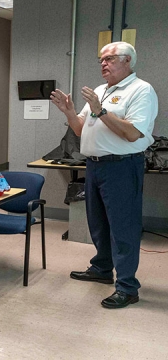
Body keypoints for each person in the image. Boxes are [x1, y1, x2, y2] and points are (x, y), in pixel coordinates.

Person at [50, 42, 157, 309]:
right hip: (95, 166)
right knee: (98, 223)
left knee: (123, 227)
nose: (103, 64)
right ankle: (102, 268)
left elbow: (133, 133)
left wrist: (101, 110)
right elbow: (79, 129)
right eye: (101, 60)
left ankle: (127, 287)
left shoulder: (141, 90)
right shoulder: (101, 90)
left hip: (122, 166)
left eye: (109, 59)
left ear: (127, 61)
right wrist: (69, 111)